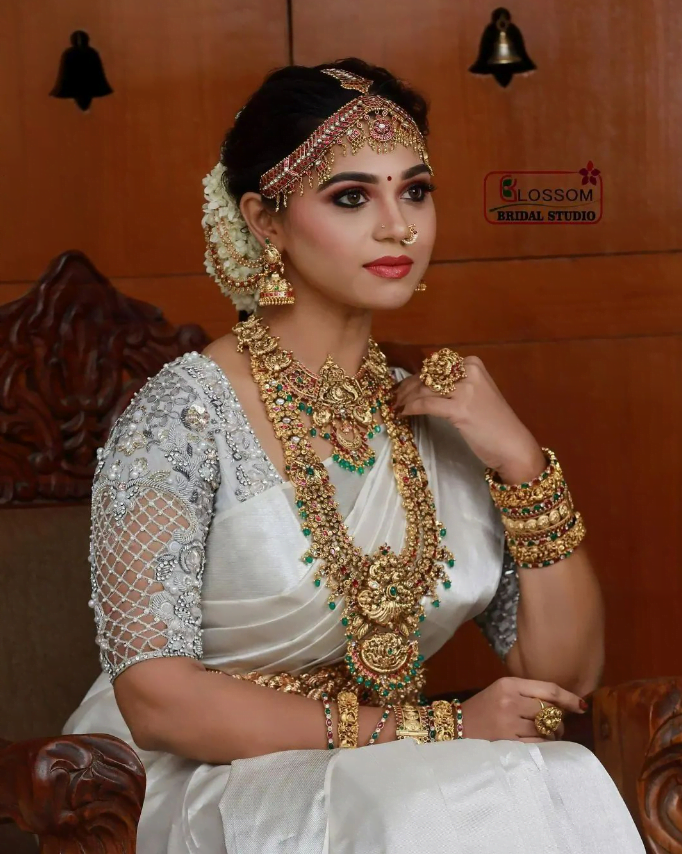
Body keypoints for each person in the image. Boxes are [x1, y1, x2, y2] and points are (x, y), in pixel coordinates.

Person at [63, 58, 644, 853]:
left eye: (414, 190)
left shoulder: (443, 413)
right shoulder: (181, 420)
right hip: (197, 779)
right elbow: (157, 700)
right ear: (264, 221)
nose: (399, 226)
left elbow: (565, 683)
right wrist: (436, 725)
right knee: (425, 808)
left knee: (560, 778)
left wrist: (521, 463)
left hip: (391, 768)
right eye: (350, 197)